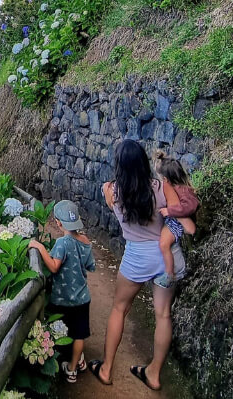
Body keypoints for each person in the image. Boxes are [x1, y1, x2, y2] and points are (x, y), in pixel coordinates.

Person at [87, 139, 196, 391]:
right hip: (166, 254)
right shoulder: (161, 186)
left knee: (119, 308)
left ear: (119, 165)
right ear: (144, 162)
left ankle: (106, 369)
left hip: (136, 257)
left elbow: (117, 209)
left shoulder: (111, 191)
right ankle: (154, 373)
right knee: (163, 314)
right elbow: (178, 211)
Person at [28, 200, 96, 383]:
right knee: (79, 334)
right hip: (82, 298)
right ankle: (74, 367)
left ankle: (65, 364)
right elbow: (91, 266)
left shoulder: (62, 243)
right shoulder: (86, 242)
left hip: (63, 299)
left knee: (63, 332)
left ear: (58, 223)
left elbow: (54, 267)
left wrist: (40, 247)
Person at [153, 151, 199, 289]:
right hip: (174, 221)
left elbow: (191, 206)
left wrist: (170, 211)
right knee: (163, 244)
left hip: (175, 223)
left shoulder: (183, 190)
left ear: (166, 179)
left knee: (163, 244)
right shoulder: (178, 188)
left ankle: (170, 274)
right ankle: (170, 273)